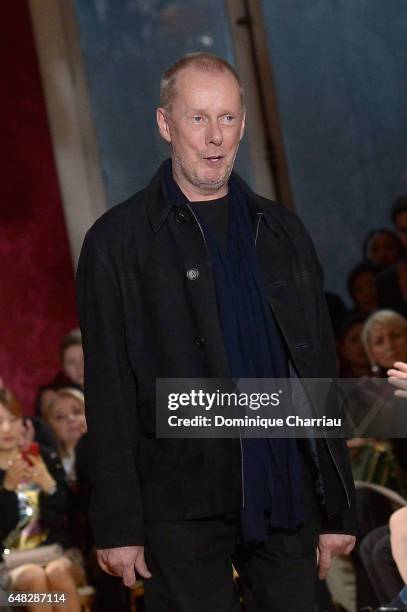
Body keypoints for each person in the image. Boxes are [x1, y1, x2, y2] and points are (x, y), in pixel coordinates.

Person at [76, 52, 356, 611]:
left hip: (287, 492)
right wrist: (118, 524)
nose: (213, 137)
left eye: (226, 118)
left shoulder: (282, 232)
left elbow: (317, 369)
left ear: (243, 126)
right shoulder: (117, 244)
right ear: (165, 124)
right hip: (180, 504)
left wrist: (338, 508)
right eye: (197, 118)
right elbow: (109, 393)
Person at [0, 388, 85, 612]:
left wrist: (49, 485)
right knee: (34, 576)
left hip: (57, 554)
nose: (7, 429)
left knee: (56, 572)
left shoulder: (45, 458)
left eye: (13, 419)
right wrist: (7, 488)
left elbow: (73, 520)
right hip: (6, 576)